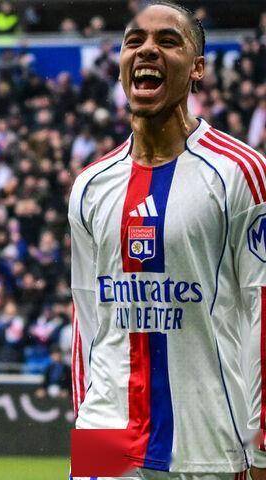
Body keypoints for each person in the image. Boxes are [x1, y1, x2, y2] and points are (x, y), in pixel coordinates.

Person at [69, 2, 266, 479]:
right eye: (134, 41)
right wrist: (84, 418)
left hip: (209, 442)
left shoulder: (241, 173)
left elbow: (261, 314)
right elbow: (87, 317)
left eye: (168, 41)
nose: (147, 50)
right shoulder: (90, 185)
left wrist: (262, 448)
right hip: (106, 432)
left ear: (197, 68)